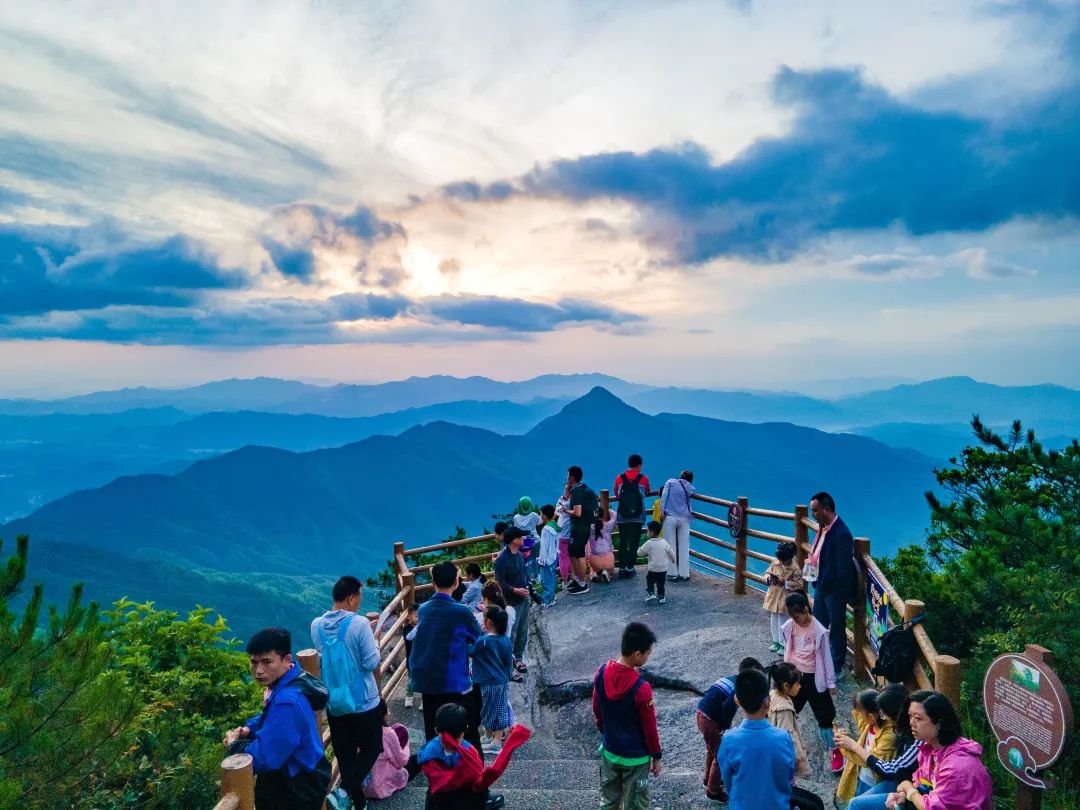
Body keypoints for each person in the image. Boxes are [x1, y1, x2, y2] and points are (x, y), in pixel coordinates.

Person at [224, 628, 331, 810]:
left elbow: (264, 757)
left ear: (286, 660)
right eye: (254, 662)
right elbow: (272, 717)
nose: (258, 670)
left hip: (294, 789)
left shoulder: (288, 701)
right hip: (301, 775)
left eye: (267, 662)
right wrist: (250, 728)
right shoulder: (292, 682)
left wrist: (234, 745)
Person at [310, 576, 383, 808]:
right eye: (359, 597)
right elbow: (371, 662)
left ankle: (358, 803)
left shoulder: (316, 625)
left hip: (335, 701)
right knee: (372, 748)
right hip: (363, 701)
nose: (360, 602)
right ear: (351, 599)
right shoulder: (360, 623)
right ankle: (342, 791)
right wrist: (375, 642)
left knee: (346, 755)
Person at [410, 561, 484, 754]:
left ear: (433, 583)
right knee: (467, 733)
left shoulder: (423, 610)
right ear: (456, 583)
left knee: (433, 732)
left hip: (428, 682)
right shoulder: (462, 612)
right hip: (454, 683)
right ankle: (475, 771)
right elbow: (478, 639)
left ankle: (435, 770)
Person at [592, 622, 662, 810]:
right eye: (648, 653)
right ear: (637, 654)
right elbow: (649, 728)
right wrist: (656, 756)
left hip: (610, 751)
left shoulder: (601, 672)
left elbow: (597, 708)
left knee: (608, 800)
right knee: (636, 804)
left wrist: (607, 732)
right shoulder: (642, 689)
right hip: (636, 759)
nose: (648, 657)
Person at [884, 691, 993, 810]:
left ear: (939, 723)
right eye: (910, 716)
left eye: (918, 718)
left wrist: (908, 788)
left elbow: (932, 807)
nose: (911, 723)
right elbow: (922, 782)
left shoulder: (956, 766)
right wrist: (903, 795)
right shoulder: (929, 749)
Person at [418, 702, 531, 810]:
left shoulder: (429, 750)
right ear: (465, 729)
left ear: (436, 730)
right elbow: (478, 779)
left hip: (437, 801)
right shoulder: (469, 751)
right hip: (465, 801)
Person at [717, 668, 796, 810]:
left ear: (737, 700)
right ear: (768, 702)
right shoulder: (783, 738)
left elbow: (727, 781)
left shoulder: (728, 740)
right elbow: (789, 775)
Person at [781, 590, 841, 774]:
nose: (795, 620)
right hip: (795, 676)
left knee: (825, 715)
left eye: (797, 616)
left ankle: (836, 752)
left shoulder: (818, 630)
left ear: (806, 610)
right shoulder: (790, 626)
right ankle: (785, 748)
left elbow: (826, 657)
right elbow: (788, 648)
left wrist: (830, 682)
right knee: (788, 711)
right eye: (792, 616)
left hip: (815, 678)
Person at [697, 656, 765, 802]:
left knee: (712, 751)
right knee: (721, 756)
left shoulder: (732, 679)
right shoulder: (738, 689)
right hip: (711, 720)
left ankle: (708, 779)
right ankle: (713, 792)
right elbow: (727, 707)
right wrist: (725, 727)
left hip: (702, 713)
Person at [841, 685, 920, 810]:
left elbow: (890, 769)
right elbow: (860, 717)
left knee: (855, 804)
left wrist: (853, 746)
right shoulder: (898, 727)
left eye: (883, 714)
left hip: (905, 784)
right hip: (902, 784)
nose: (913, 723)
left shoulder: (915, 740)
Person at [805, 492, 857, 675]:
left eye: (815, 510)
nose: (813, 514)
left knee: (836, 629)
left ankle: (836, 667)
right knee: (818, 625)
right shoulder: (823, 527)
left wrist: (837, 592)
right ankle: (818, 660)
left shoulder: (842, 534)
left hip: (834, 591)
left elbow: (843, 569)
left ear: (826, 509)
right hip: (821, 586)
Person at [838, 690, 897, 803]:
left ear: (870, 716)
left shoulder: (888, 736)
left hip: (873, 783)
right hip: (862, 777)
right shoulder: (870, 724)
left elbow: (869, 761)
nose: (857, 714)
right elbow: (857, 714)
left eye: (860, 711)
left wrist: (848, 746)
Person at [473, 605, 515, 753]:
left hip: (489, 681)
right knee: (496, 708)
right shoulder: (505, 640)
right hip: (501, 680)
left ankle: (496, 742)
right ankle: (489, 736)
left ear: (489, 622)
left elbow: (470, 650)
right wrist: (508, 676)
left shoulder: (484, 641)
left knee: (493, 710)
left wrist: (476, 633)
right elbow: (509, 662)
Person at [493, 527, 531, 670]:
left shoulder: (519, 555)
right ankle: (508, 662)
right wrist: (515, 590)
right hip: (511, 602)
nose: (523, 539)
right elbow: (500, 583)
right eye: (520, 537)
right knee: (511, 633)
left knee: (523, 631)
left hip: (524, 598)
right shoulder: (501, 560)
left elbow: (524, 575)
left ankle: (518, 658)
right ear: (514, 540)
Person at [361, 701, 410, 801]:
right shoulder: (388, 733)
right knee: (415, 759)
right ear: (382, 714)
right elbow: (401, 761)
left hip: (363, 786)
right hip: (380, 787)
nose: (389, 711)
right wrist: (406, 747)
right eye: (387, 709)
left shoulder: (360, 730)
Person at [613, 454, 651, 578]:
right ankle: (630, 568)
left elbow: (617, 495)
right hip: (637, 516)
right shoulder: (643, 478)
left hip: (622, 516)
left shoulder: (619, 478)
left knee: (623, 541)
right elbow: (647, 492)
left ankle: (621, 568)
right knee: (634, 542)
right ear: (639, 465)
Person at [764, 542, 804, 652]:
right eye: (780, 559)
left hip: (785, 598)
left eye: (783, 560)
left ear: (790, 557)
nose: (781, 561)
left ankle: (784, 644)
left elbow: (799, 584)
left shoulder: (795, 569)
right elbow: (767, 573)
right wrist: (769, 579)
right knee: (774, 621)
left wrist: (786, 583)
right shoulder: (775, 563)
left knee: (783, 622)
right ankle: (776, 641)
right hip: (774, 596)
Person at [565, 465, 598, 595]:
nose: (567, 478)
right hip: (584, 527)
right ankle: (578, 580)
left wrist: (566, 510)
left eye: (568, 475)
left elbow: (577, 512)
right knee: (573, 553)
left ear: (572, 478)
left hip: (579, 528)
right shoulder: (584, 488)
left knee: (578, 555)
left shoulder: (577, 492)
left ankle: (583, 584)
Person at [659, 470, 694, 581]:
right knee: (684, 547)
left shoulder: (670, 482)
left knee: (670, 546)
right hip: (685, 519)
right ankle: (684, 574)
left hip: (670, 517)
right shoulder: (690, 488)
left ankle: (672, 573)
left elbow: (664, 496)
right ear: (691, 480)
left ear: (680, 477)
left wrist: (662, 511)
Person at [637, 521, 675, 605]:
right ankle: (661, 597)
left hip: (653, 568)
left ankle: (651, 593)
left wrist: (638, 549)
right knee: (661, 584)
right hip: (663, 569)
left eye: (648, 530)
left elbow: (640, 553)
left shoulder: (649, 543)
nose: (647, 532)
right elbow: (670, 552)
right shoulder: (664, 542)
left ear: (652, 532)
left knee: (649, 580)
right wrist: (673, 559)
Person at [537, 503, 559, 606]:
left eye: (541, 514)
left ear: (545, 516)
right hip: (554, 556)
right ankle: (552, 596)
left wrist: (541, 560)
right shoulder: (554, 525)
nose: (540, 516)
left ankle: (548, 600)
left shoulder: (545, 529)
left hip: (546, 559)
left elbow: (544, 547)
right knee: (552, 577)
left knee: (546, 580)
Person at [588, 506, 618, 583]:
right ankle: (607, 573)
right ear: (602, 515)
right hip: (608, 560)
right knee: (611, 570)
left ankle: (594, 574)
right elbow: (615, 515)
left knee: (592, 562)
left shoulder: (589, 527)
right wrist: (608, 509)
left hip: (594, 561)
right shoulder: (608, 525)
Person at [402, 604, 421, 710]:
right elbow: (409, 638)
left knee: (424, 679)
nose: (419, 619)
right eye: (417, 616)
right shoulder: (407, 628)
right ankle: (409, 697)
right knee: (411, 680)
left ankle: (424, 700)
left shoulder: (423, 628)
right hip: (411, 659)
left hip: (422, 658)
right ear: (409, 616)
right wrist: (418, 627)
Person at [555, 483, 574, 583]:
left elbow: (558, 510)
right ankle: (573, 576)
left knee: (563, 557)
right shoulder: (573, 500)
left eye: (567, 490)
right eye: (565, 489)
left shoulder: (568, 501)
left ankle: (565, 579)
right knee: (571, 555)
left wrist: (563, 507)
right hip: (570, 532)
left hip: (564, 533)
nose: (565, 492)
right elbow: (558, 510)